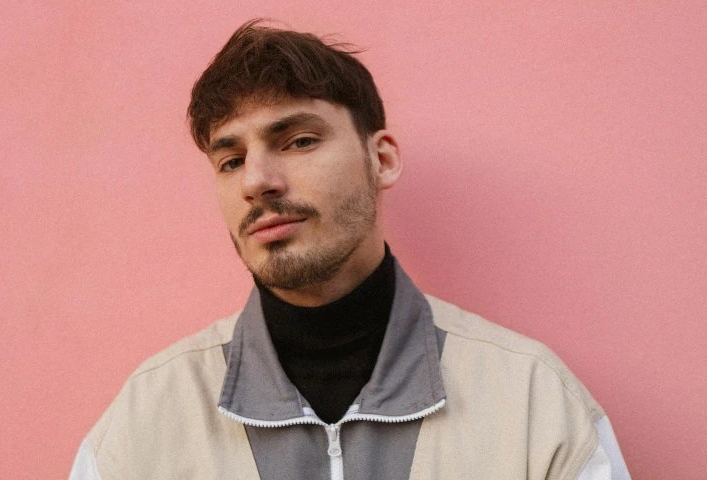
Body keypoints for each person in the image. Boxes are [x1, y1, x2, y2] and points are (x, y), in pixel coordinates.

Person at [69, 19, 630, 480]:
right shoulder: (145, 424)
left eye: (299, 141)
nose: (256, 181)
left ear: (381, 159)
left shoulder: (533, 404)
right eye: (231, 159)